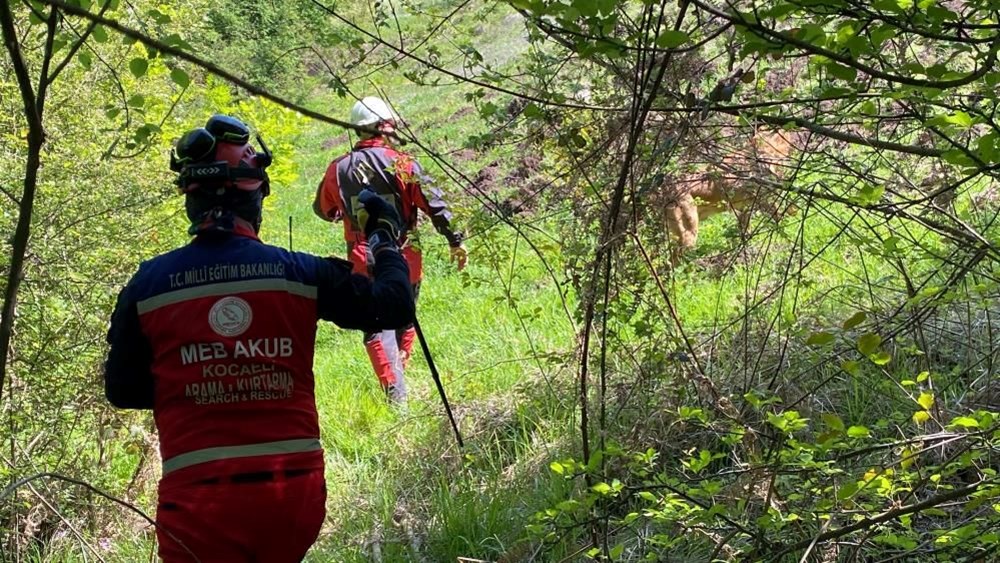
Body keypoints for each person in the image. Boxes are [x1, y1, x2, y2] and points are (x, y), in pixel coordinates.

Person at [104, 114, 414, 562]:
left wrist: (201, 379)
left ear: (190, 202)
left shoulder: (147, 285)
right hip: (291, 498)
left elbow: (123, 390)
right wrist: (383, 236)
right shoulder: (301, 272)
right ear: (256, 198)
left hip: (194, 503)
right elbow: (394, 306)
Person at [313, 96, 467, 403]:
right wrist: (455, 239)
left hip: (363, 260)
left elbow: (322, 208)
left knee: (375, 325)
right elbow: (434, 204)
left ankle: (395, 393)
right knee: (403, 315)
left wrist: (341, 211)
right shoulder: (404, 164)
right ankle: (399, 382)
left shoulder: (337, 169)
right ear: (387, 126)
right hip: (406, 255)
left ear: (357, 129)